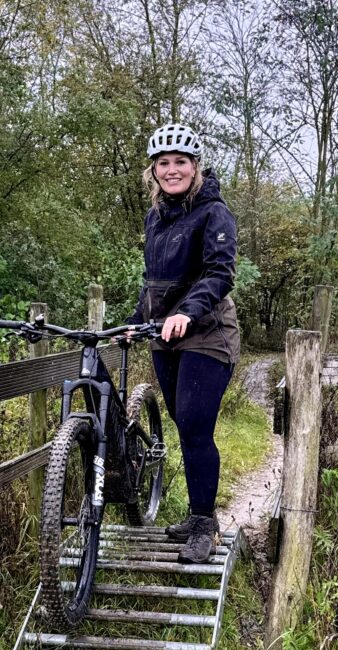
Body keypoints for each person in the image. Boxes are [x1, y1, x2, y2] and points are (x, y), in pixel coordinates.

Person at [125, 123, 241, 563]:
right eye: (163, 163)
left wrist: (185, 313)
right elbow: (153, 282)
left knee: (194, 426)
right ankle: (194, 518)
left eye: (180, 162)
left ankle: (205, 525)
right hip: (165, 336)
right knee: (181, 422)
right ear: (153, 171)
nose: (171, 170)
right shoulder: (155, 218)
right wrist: (137, 322)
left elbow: (219, 274)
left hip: (207, 333)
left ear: (196, 166)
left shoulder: (214, 213)